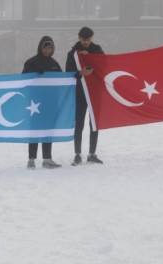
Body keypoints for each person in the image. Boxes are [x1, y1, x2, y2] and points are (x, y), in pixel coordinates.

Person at [65, 27, 104, 166]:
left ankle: (92, 154)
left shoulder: (97, 50)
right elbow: (68, 73)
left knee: (94, 123)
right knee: (79, 123)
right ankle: (77, 154)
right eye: (83, 39)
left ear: (92, 37)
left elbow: (103, 66)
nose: (86, 42)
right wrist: (80, 72)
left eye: (88, 39)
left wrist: (90, 57)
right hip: (79, 92)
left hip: (94, 92)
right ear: (79, 37)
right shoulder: (72, 53)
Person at [22, 36, 63, 169]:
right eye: (45, 47)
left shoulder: (55, 64)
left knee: (48, 131)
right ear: (40, 47)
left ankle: (47, 158)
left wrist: (75, 76)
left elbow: (63, 80)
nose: (48, 50)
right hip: (35, 103)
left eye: (50, 48)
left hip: (51, 103)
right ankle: (31, 159)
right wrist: (33, 73)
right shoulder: (31, 62)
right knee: (34, 130)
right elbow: (23, 79)